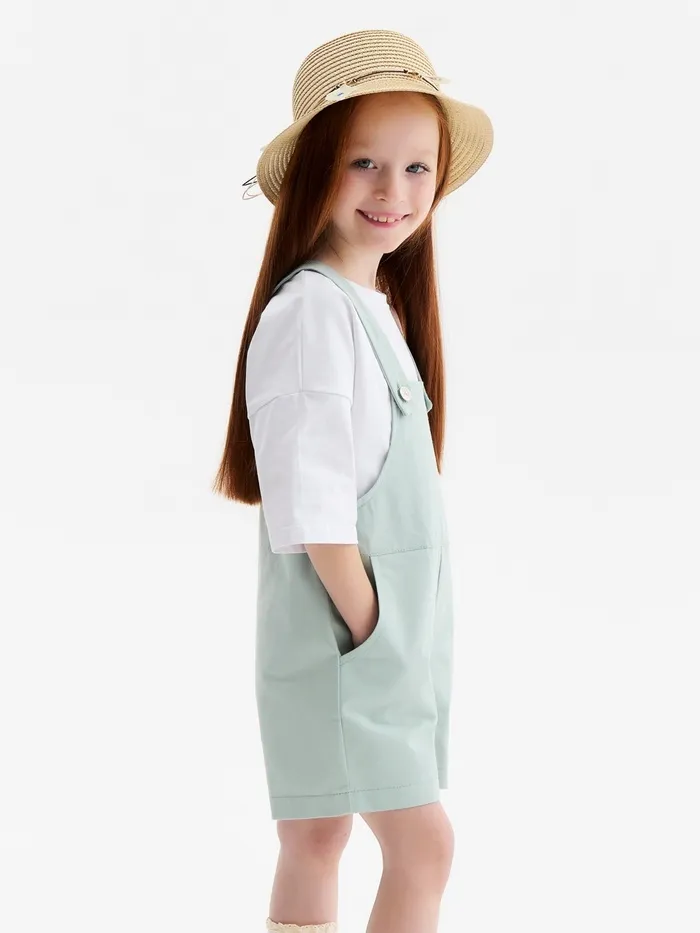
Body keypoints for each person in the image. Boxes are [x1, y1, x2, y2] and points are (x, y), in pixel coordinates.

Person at [213, 28, 493, 933]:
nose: (392, 191)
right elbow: (316, 504)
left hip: (365, 627)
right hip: (350, 625)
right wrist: (376, 627)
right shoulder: (311, 313)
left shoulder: (371, 307)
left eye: (417, 168)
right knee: (423, 844)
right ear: (315, 170)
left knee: (317, 833)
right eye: (364, 162)